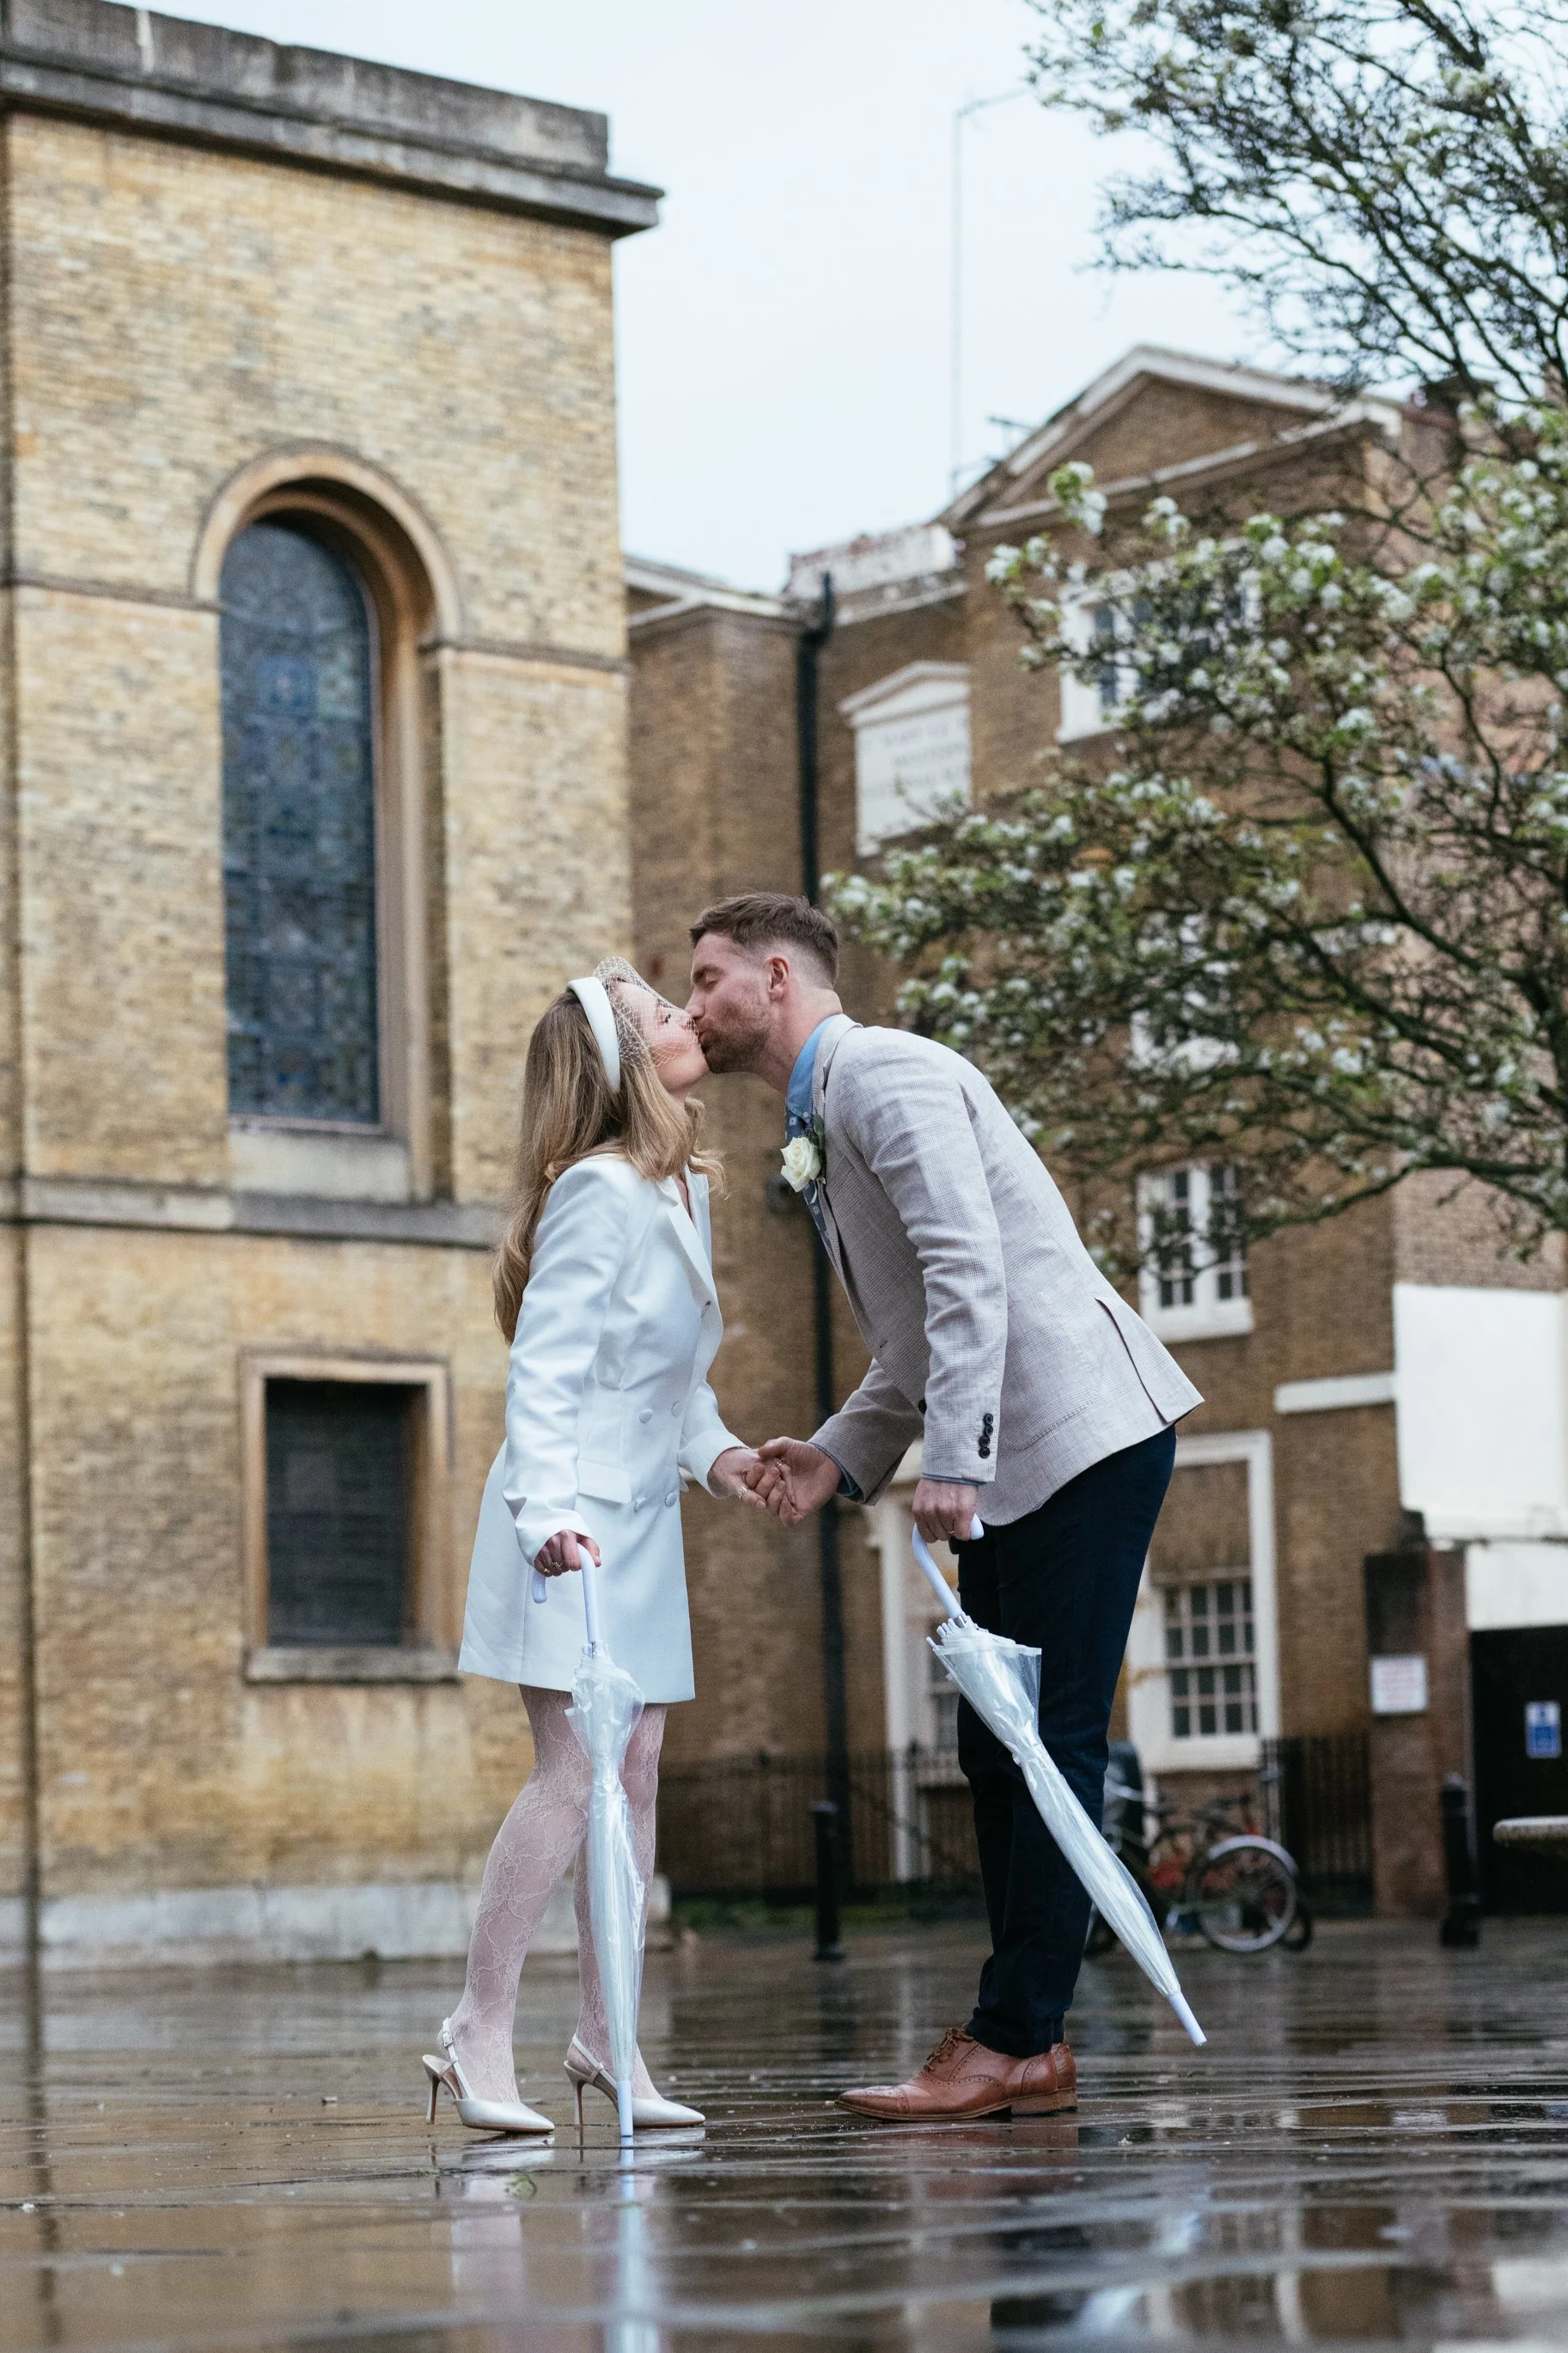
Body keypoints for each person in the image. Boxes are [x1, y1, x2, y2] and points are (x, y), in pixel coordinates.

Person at [686, 893, 1202, 2124]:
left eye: (707, 979)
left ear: (774, 975)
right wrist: (835, 1455)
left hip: (1076, 1437)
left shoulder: (886, 1073)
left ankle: (1015, 2035)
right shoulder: (822, 1114)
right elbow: (915, 1333)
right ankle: (1028, 2038)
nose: (696, 1004)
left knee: (1051, 1739)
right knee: (994, 1743)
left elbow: (971, 1263)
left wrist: (952, 1459)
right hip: (1013, 1455)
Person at [424, 957, 761, 2136]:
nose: (684, 1017)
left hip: (643, 1534)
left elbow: (678, 1384)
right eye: (659, 1012)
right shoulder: (598, 1190)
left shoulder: (680, 1193)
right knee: (572, 1773)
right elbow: (547, 1372)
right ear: (621, 1062)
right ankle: (477, 2027)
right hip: (565, 1528)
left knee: (637, 1775)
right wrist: (546, 1517)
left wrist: (723, 1458)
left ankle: (609, 2037)